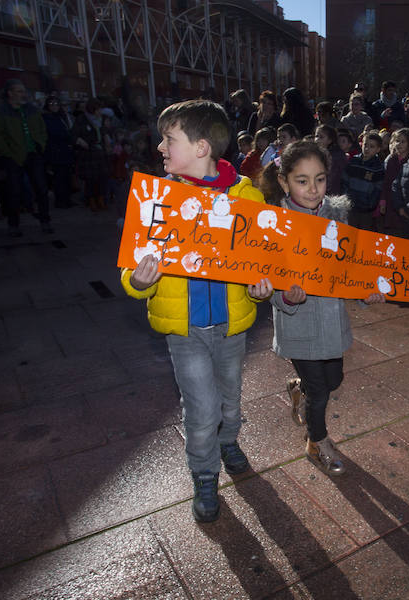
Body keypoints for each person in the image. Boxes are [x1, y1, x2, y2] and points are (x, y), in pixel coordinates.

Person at [120, 99, 272, 522]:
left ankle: (229, 441)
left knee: (230, 401)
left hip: (233, 326)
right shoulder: (156, 201)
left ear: (202, 147)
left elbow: (261, 265)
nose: (160, 148)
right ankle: (204, 475)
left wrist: (260, 291)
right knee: (201, 409)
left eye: (169, 139)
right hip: (183, 331)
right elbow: (130, 271)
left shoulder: (247, 197)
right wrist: (139, 281)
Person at [271, 141, 386, 475]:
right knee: (320, 392)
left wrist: (366, 292)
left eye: (319, 179)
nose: (312, 189)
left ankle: (298, 388)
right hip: (299, 324)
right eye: (302, 180)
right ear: (284, 182)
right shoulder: (274, 224)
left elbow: (349, 270)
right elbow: (264, 285)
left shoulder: (337, 216)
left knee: (333, 379)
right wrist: (285, 298)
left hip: (332, 320)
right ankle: (316, 441)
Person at [0, 79, 51, 235]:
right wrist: (8, 152)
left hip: (33, 154)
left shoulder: (32, 110)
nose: (23, 94)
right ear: (10, 93)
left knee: (41, 189)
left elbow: (42, 129)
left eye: (23, 91)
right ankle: (13, 224)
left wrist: (40, 144)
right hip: (12, 157)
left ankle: (45, 221)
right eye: (19, 91)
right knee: (13, 191)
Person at [341, 131, 384, 231]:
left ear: (378, 149)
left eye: (372, 146)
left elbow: (378, 188)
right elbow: (345, 180)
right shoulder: (353, 161)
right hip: (350, 206)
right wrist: (346, 197)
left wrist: (370, 204)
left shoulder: (378, 167)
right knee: (349, 232)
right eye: (365, 145)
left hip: (366, 210)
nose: (367, 148)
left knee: (364, 234)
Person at [42, 95, 75, 209]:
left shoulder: (61, 117)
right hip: (56, 151)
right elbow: (54, 133)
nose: (54, 106)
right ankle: (60, 200)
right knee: (59, 178)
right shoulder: (46, 118)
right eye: (52, 104)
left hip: (65, 150)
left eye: (56, 104)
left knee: (66, 176)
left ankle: (67, 199)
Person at [314, 124, 347, 196]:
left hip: (331, 195)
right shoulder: (315, 153)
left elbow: (331, 179)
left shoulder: (336, 156)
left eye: (321, 137)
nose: (317, 139)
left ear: (330, 140)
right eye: (316, 136)